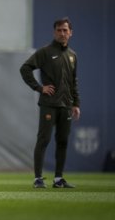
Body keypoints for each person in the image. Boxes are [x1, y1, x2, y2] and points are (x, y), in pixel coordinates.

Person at [20, 17, 80, 189]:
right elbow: (25, 69)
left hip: (66, 106)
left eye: (65, 30)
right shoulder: (46, 52)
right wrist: (39, 88)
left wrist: (76, 104)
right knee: (44, 139)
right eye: (59, 30)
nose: (62, 33)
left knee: (63, 141)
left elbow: (74, 81)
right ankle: (38, 178)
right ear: (54, 32)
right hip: (49, 104)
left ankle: (58, 179)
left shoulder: (72, 55)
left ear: (70, 33)